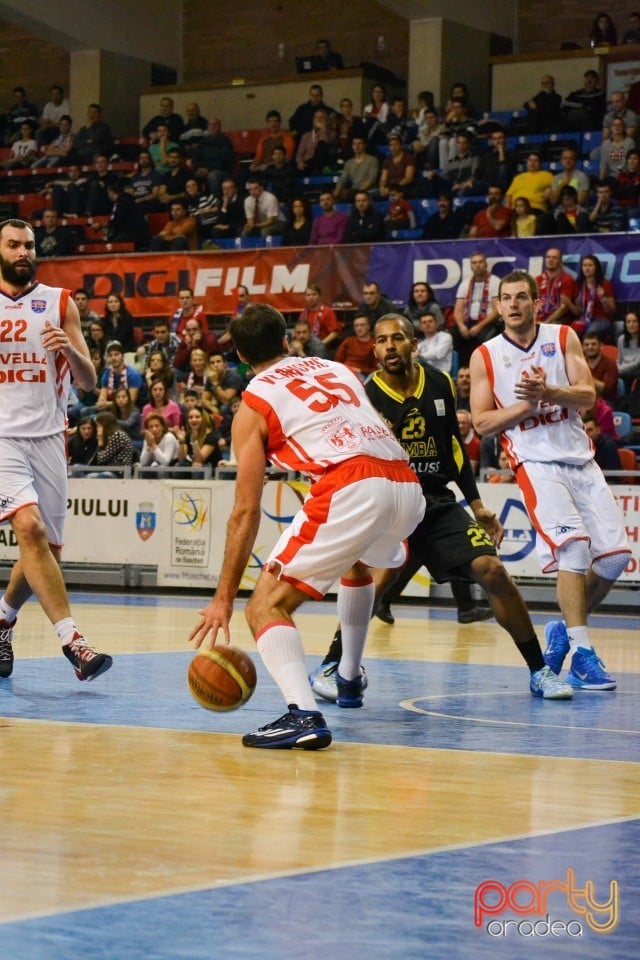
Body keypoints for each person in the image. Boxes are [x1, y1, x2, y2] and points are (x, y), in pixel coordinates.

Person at [188, 304, 425, 749]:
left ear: (239, 355)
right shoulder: (337, 368)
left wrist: (223, 598)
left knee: (264, 607)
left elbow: (245, 510)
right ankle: (348, 678)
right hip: (406, 485)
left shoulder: (253, 404)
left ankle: (303, 713)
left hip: (351, 484)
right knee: (355, 563)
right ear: (287, 340)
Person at [309, 315, 570, 704]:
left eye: (397, 338)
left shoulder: (441, 382)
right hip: (392, 504)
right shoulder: (364, 396)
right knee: (375, 587)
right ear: (375, 350)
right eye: (381, 341)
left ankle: (539, 670)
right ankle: (331, 664)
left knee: (492, 570)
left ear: (414, 344)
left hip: (435, 502)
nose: (389, 346)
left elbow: (453, 446)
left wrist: (477, 503)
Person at [470, 269, 630, 690]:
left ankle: (562, 627)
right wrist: (524, 408)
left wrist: (550, 393)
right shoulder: (485, 354)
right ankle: (582, 652)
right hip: (535, 464)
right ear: (499, 305)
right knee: (574, 550)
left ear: (536, 302)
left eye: (523, 296)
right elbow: (483, 423)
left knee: (614, 558)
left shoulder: (562, 337)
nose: (515, 304)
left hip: (581, 459)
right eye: (507, 298)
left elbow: (589, 395)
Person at [0, 218, 112, 682]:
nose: (23, 252)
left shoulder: (59, 302)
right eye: (13, 245)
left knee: (44, 554)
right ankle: (74, 643)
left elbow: (87, 384)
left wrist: (70, 349)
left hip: (48, 438)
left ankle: (2, 620)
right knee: (29, 527)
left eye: (28, 245)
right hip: (1, 437)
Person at [452, 251, 501, 364]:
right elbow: (458, 310)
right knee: (451, 337)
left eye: (480, 262)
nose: (477, 265)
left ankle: (488, 367)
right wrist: (461, 326)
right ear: (471, 266)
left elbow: (497, 310)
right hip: (468, 322)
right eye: (474, 263)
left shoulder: (495, 281)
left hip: (487, 322)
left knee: (488, 340)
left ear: (485, 264)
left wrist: (479, 326)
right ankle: (460, 372)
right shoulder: (465, 283)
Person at [571, 253, 616, 338]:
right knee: (572, 334)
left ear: (596, 268)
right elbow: (578, 311)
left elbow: (612, 311)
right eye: (584, 265)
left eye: (590, 265)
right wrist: (569, 303)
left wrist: (603, 298)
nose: (587, 268)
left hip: (602, 319)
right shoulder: (579, 285)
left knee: (589, 334)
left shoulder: (604, 284)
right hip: (584, 319)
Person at [535, 248, 577, 325]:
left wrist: (546, 322)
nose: (550, 260)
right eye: (548, 257)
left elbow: (564, 308)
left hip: (558, 318)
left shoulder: (567, 279)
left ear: (560, 261)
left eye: (554, 258)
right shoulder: (538, 279)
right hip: (540, 317)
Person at [298, 284, 343, 350]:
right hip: (306, 348)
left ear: (319, 296)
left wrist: (320, 345)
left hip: (324, 348)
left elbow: (335, 333)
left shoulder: (327, 311)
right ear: (305, 297)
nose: (311, 297)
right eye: (308, 295)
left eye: (314, 294)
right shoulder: (303, 314)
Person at [582, 331, 619, 404]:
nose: (590, 347)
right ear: (582, 347)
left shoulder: (610, 364)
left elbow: (607, 390)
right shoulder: (581, 363)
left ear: (601, 346)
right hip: (585, 400)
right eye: (586, 345)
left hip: (606, 402)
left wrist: (586, 377)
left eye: (594, 344)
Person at [617, 310, 640, 387]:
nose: (631, 324)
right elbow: (619, 360)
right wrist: (616, 368)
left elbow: (637, 363)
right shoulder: (621, 339)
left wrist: (619, 369)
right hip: (622, 372)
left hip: (636, 372)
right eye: (628, 322)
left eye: (634, 321)